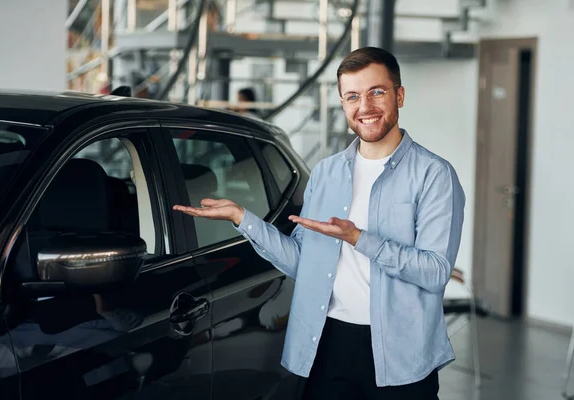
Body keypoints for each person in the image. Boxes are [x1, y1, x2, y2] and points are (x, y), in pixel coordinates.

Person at [173, 47, 465, 400]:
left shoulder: (434, 175)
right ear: (343, 104)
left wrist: (359, 238)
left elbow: (434, 272)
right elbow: (303, 262)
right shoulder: (327, 173)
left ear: (399, 95)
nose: (365, 107)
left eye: (377, 92)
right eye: (353, 96)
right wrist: (242, 218)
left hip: (403, 352)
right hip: (329, 344)